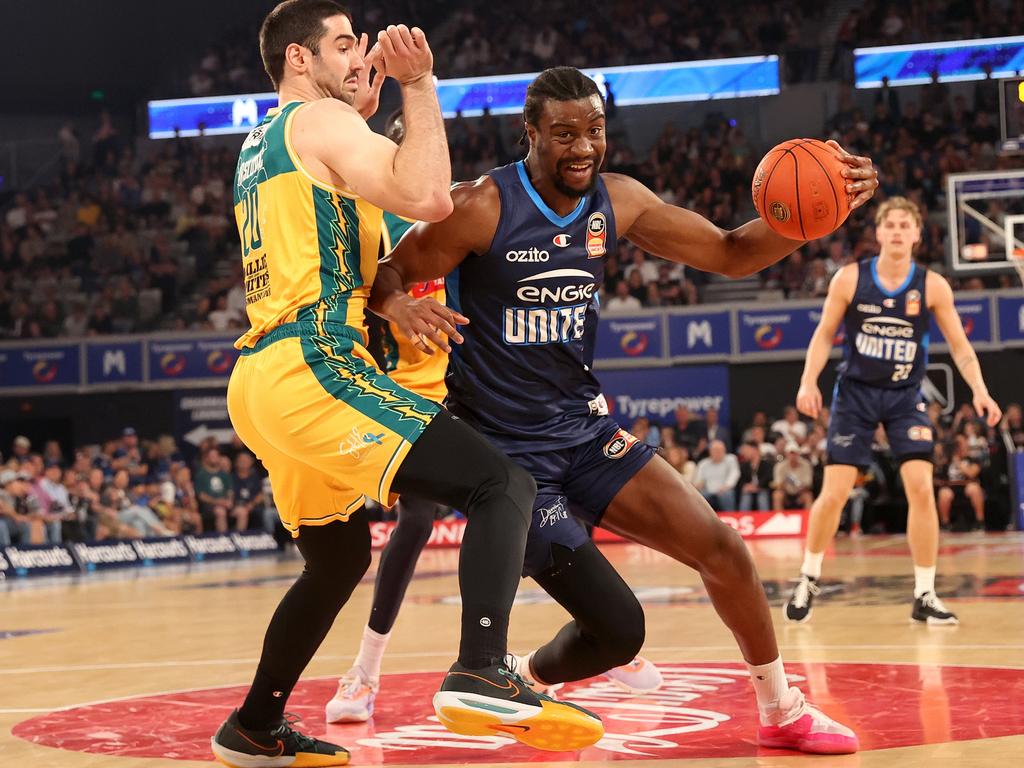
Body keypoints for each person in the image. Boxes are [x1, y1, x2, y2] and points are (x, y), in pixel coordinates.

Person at [372, 66, 879, 754]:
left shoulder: (621, 202)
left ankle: (780, 707)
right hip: (509, 464)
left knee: (723, 549)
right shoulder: (482, 205)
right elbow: (391, 269)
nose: (583, 146)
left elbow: (731, 253)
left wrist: (815, 215)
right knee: (619, 632)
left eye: (595, 130)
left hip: (584, 432)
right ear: (531, 135)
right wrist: (398, 302)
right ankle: (515, 673)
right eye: (564, 133)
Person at [211, 6, 602, 767]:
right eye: (344, 45)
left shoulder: (265, 140)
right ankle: (484, 669)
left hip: (261, 377)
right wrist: (420, 85)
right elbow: (427, 197)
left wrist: (388, 295)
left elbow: (347, 202)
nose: (360, 57)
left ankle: (254, 724)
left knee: (337, 559)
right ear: (299, 57)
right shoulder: (317, 119)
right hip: (314, 365)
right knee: (502, 483)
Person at [326, 112, 663, 725]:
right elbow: (370, 292)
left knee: (554, 490)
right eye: (406, 153)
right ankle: (366, 670)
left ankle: (602, 630)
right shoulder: (380, 224)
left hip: (481, 391)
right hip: (412, 390)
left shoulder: (459, 207)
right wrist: (394, 308)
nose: (421, 164)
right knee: (416, 521)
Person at [783, 196, 1002, 626]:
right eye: (892, 224)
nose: (899, 231)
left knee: (921, 488)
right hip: (857, 395)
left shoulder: (933, 285)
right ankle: (809, 576)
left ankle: (924, 593)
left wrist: (980, 390)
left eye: (906, 224)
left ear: (918, 234)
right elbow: (824, 335)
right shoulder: (850, 279)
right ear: (879, 233)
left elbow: (959, 346)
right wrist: (808, 381)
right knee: (835, 493)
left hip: (905, 397)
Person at [772, 443, 814, 510]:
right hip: (786, 493)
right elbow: (778, 484)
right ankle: (779, 517)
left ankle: (807, 518)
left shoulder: (806, 465)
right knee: (777, 495)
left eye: (794, 453)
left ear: (798, 454)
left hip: (801, 493)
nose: (792, 456)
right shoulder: (780, 466)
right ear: (786, 454)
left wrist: (800, 493)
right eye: (790, 453)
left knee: (808, 496)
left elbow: (808, 484)